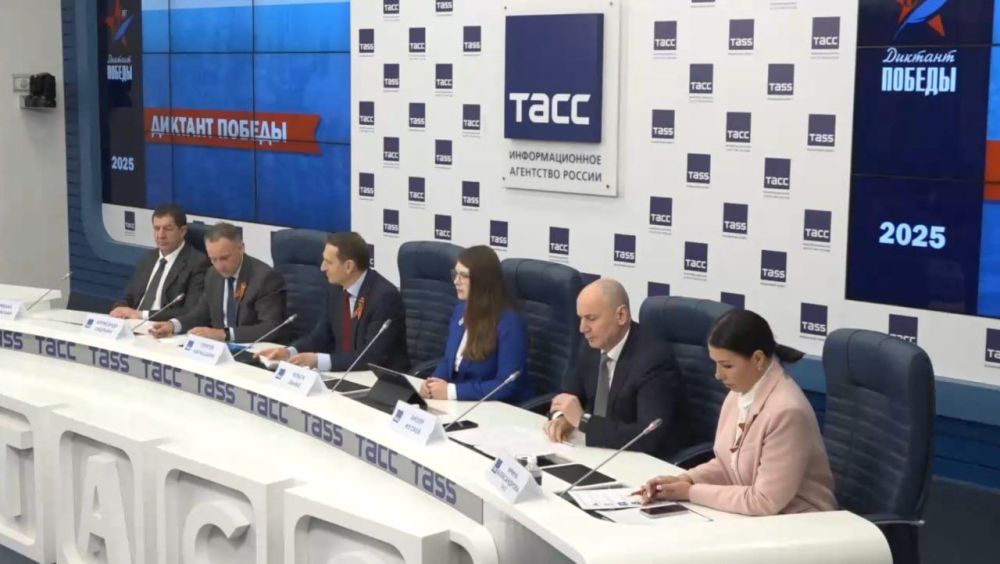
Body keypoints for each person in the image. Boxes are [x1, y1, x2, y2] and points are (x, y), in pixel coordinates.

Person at [637, 309, 837, 516]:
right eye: (715, 363)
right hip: (760, 517)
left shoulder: (787, 411)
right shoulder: (738, 394)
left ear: (758, 359)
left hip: (801, 521)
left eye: (727, 365)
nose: (718, 374)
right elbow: (727, 466)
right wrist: (685, 479)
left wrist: (690, 492)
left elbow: (764, 501)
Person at [544, 279, 684, 459]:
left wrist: (583, 421)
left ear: (621, 316)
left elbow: (648, 436)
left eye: (591, 318)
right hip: (594, 452)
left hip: (637, 461)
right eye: (581, 318)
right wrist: (561, 418)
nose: (582, 328)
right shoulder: (590, 345)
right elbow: (568, 395)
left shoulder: (653, 359)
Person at [256, 232, 409, 371]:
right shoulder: (335, 289)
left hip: (377, 379)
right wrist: (289, 352)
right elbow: (320, 336)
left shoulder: (384, 297)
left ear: (348, 266)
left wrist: (317, 360)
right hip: (343, 373)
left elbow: (371, 357)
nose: (322, 268)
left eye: (328, 262)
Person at [420, 245, 530, 402]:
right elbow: (449, 360)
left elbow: (507, 385)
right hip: (458, 403)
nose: (456, 281)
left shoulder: (510, 322)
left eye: (464, 276)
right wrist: (433, 384)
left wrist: (451, 392)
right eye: (455, 274)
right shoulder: (460, 310)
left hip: (494, 407)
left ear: (483, 281)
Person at [149, 222, 287, 343]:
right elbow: (201, 314)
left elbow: (271, 327)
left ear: (241, 248)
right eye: (213, 259)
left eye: (224, 258)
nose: (219, 266)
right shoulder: (212, 274)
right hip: (218, 348)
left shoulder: (264, 278)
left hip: (251, 348)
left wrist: (224, 334)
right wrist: (173, 325)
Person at [110, 204, 209, 321]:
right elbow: (129, 297)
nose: (161, 235)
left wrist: (142, 315)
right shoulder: (148, 258)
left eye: (168, 229)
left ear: (182, 231)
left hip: (164, 326)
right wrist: (120, 308)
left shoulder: (197, 263)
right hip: (133, 322)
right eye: (157, 228)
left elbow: (190, 311)